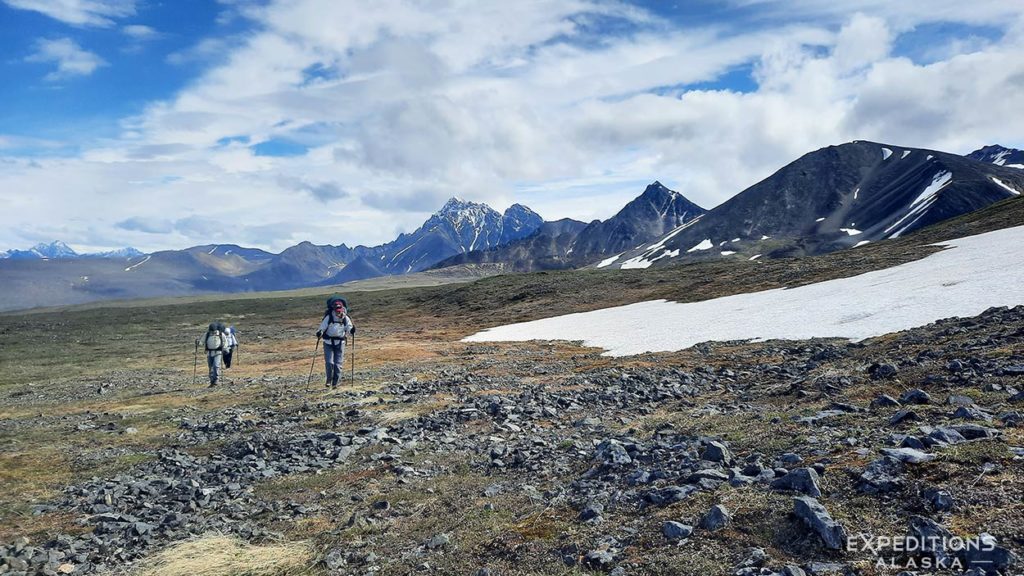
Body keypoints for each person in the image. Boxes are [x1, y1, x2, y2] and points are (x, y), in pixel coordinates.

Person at [316, 298, 355, 388]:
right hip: (328, 342)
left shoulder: (345, 318)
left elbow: (349, 328)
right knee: (329, 363)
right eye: (336, 310)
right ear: (334, 309)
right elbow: (322, 327)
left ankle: (335, 383)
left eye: (339, 310)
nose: (338, 312)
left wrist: (352, 330)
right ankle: (329, 380)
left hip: (340, 343)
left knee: (338, 364)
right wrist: (319, 333)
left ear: (342, 308)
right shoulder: (329, 317)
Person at [197, 322, 227, 387]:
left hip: (218, 353)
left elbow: (225, 342)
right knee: (211, 367)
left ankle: (216, 380)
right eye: (212, 331)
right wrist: (198, 343)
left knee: (216, 366)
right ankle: (212, 381)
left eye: (214, 331)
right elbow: (202, 342)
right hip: (209, 353)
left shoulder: (221, 334)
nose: (213, 332)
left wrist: (224, 348)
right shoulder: (207, 334)